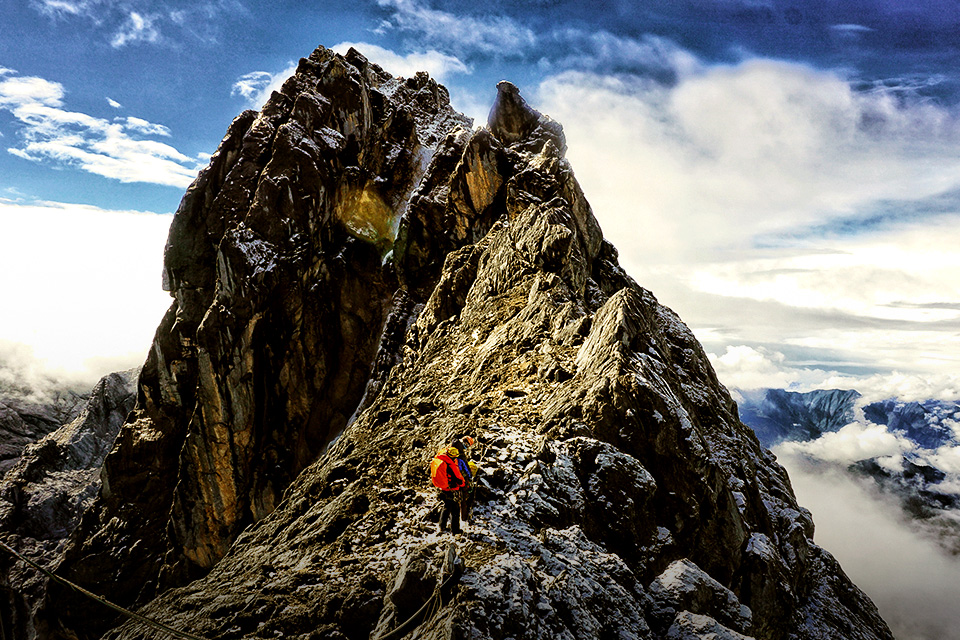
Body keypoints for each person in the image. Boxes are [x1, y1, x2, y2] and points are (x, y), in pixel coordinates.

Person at [430, 443, 466, 534]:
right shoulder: (450, 464)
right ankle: (455, 530)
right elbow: (458, 478)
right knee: (455, 510)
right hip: (452, 489)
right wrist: (462, 484)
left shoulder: (441, 458)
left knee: (446, 507)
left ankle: (442, 526)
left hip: (444, 488)